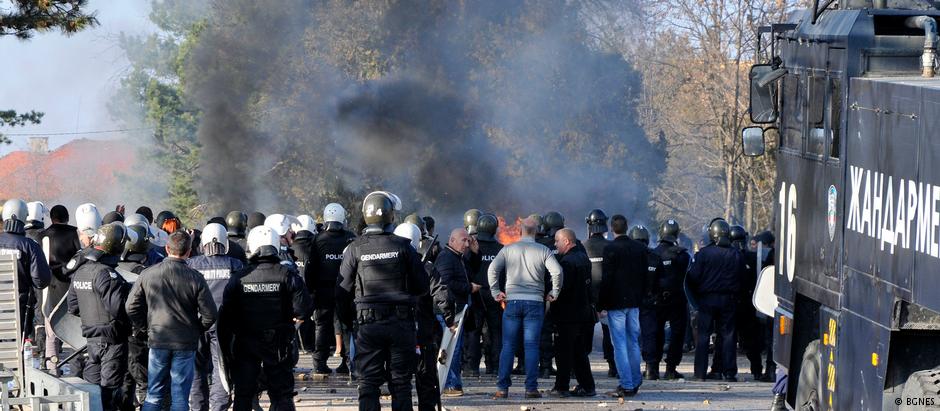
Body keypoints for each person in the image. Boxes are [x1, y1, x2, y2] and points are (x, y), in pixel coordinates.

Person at [336, 191, 429, 411]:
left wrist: (349, 324)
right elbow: (422, 286)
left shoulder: (354, 249)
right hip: (401, 324)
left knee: (368, 383)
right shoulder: (404, 247)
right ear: (391, 217)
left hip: (368, 326)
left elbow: (341, 292)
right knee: (401, 383)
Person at [220, 225, 311, 411]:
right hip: (278, 343)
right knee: (281, 395)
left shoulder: (239, 277)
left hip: (245, 344)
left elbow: (226, 314)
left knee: (244, 394)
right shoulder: (287, 274)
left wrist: (226, 349)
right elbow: (304, 308)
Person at [126, 231, 218, 411]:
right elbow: (210, 314)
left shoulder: (148, 274)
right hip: (185, 343)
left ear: (167, 248)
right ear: (189, 252)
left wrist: (146, 328)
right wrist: (195, 330)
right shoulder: (195, 277)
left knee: (154, 393)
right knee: (180, 396)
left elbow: (131, 307)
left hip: (158, 339)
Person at [487, 216, 562, 399]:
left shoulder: (508, 249)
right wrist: (554, 292)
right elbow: (557, 271)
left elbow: (492, 270)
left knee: (508, 346)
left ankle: (502, 388)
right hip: (535, 303)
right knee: (531, 346)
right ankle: (531, 388)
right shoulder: (544, 250)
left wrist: (496, 291)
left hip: (512, 302)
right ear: (536, 232)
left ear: (520, 231)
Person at [67, 223, 132, 411]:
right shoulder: (107, 274)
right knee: (109, 394)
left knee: (92, 393)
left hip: (91, 341)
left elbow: (72, 308)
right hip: (112, 342)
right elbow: (117, 309)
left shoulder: (81, 272)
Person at [188, 223, 244, 411]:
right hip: (224, 325)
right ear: (225, 243)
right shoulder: (235, 265)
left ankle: (197, 407)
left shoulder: (191, 264)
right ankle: (218, 407)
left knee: (196, 370)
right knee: (222, 369)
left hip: (196, 323)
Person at [686, 218, 747, 382]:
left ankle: (700, 373)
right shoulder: (737, 254)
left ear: (712, 234)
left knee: (704, 335)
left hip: (707, 299)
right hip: (729, 300)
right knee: (728, 336)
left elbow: (692, 276)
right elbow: (743, 278)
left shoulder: (704, 254)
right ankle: (728, 372)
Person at [394, 223, 445, 411]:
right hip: (422, 331)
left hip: (399, 330)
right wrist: (449, 317)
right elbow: (442, 295)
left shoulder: (391, 265)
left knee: (401, 380)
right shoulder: (427, 267)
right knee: (426, 379)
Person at [599, 215, 650, 398]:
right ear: (627, 227)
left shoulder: (610, 248)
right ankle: (635, 381)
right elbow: (646, 276)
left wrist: (601, 304)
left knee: (619, 344)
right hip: (634, 303)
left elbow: (607, 278)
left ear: (612, 229)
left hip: (616, 303)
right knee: (633, 342)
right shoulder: (639, 248)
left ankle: (626, 384)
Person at [309, 203, 357, 376]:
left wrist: (311, 289)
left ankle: (319, 364)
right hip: (346, 291)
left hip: (323, 291)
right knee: (347, 326)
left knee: (322, 326)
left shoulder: (318, 239)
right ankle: (349, 364)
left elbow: (310, 268)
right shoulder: (351, 238)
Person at [549, 228, 596, 397]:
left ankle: (561, 387)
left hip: (567, 315)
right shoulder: (584, 258)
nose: (555, 244)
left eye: (557, 241)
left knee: (563, 353)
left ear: (567, 241)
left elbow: (562, 289)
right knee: (579, 352)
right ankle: (587, 386)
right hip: (583, 314)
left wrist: (551, 296)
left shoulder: (567, 262)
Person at [643, 219, 691, 380]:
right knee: (677, 335)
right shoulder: (682, 255)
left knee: (654, 333)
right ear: (676, 233)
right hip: (677, 300)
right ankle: (670, 369)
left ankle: (651, 368)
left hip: (655, 300)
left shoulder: (652, 253)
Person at [37, 204, 82, 369]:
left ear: (51, 218)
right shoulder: (73, 233)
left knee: (51, 330)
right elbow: (80, 258)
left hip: (49, 287)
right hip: (71, 286)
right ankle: (77, 368)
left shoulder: (42, 236)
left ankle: (52, 367)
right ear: (67, 217)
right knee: (74, 328)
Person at [0, 199, 52, 338]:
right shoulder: (30, 246)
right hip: (20, 310)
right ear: (24, 217)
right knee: (17, 352)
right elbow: (41, 281)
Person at [435, 228, 475, 397]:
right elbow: (445, 284)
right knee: (451, 349)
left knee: (453, 348)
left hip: (455, 309)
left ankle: (452, 383)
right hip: (449, 312)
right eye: (464, 240)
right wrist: (469, 287)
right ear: (452, 240)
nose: (467, 244)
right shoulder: (446, 258)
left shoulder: (456, 257)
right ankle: (450, 385)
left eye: (468, 241)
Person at [468, 214, 503, 375]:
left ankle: (473, 367)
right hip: (495, 294)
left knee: (474, 332)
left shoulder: (471, 247)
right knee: (495, 331)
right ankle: (494, 367)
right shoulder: (501, 249)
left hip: (476, 293)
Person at [582, 209, 615, 377]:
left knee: (584, 333)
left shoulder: (582, 247)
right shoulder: (611, 247)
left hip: (587, 298)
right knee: (610, 333)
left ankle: (580, 368)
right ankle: (613, 367)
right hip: (608, 296)